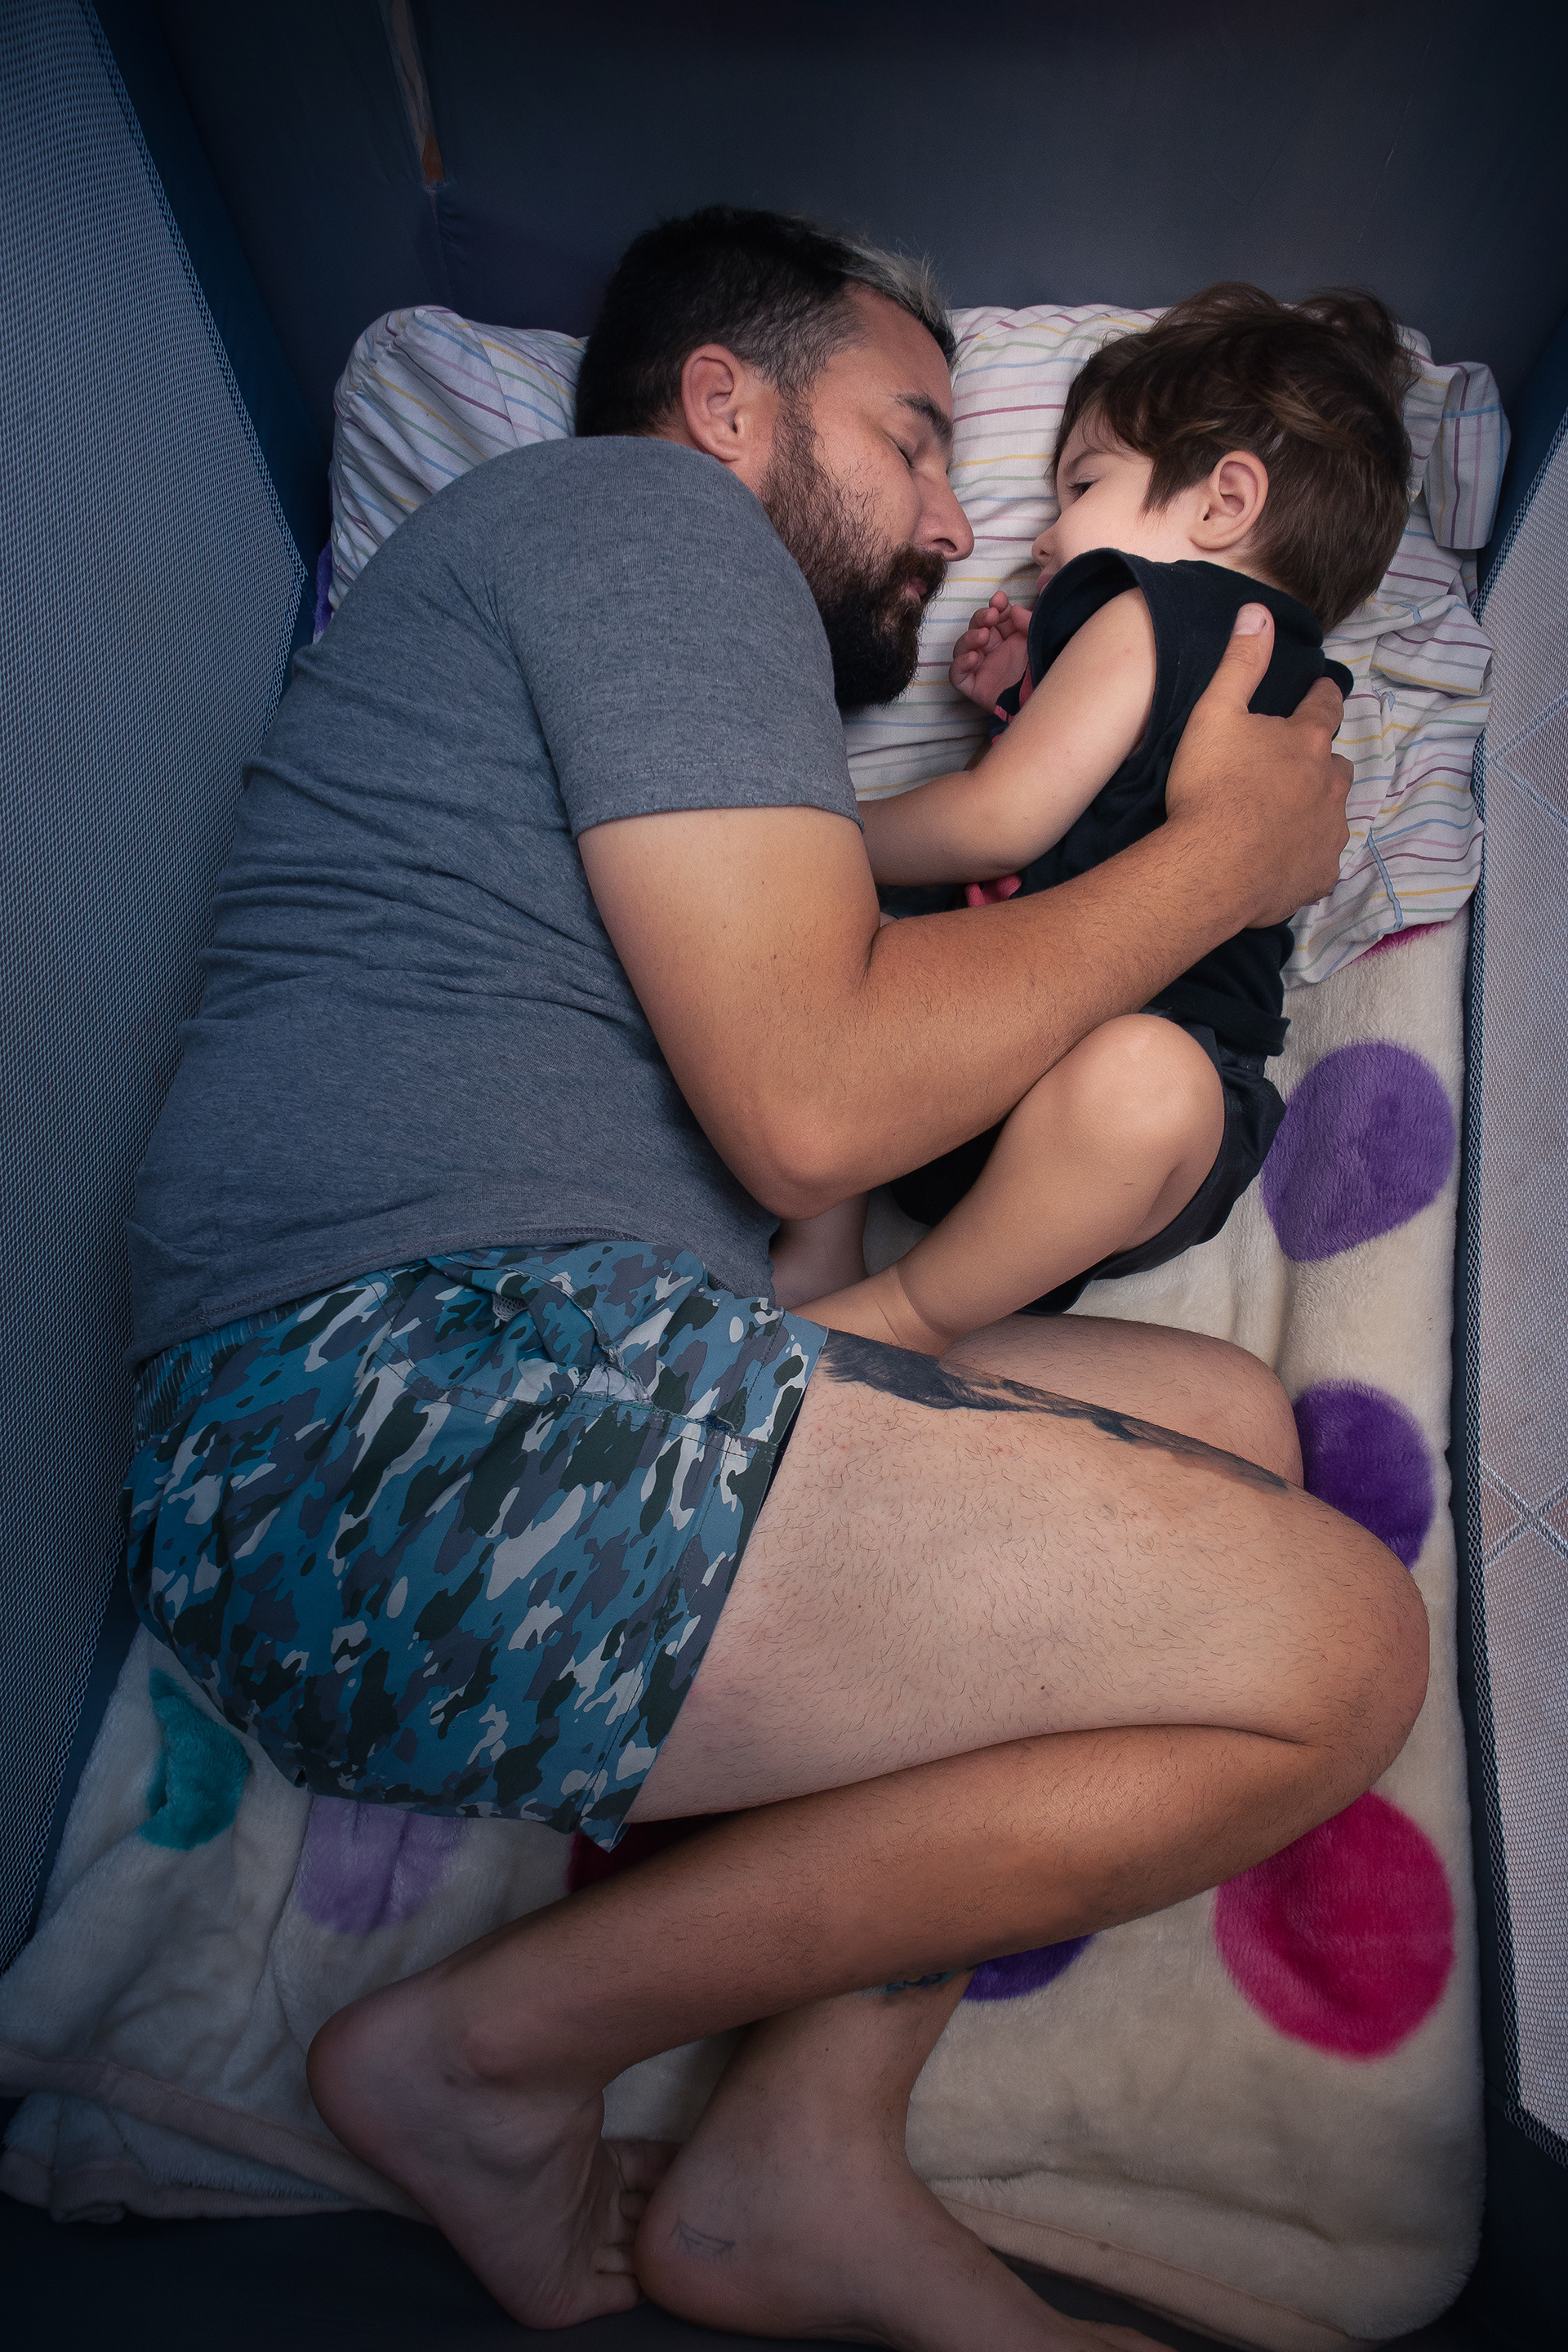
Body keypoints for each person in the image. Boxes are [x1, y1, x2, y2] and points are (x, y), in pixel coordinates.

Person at [121, 207, 1426, 2348]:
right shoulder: (643, 518)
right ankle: (488, 2051)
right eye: (913, 438)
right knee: (1343, 1654)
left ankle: (800, 2150)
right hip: (387, 1420)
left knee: (1228, 1422)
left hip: (551, 1386)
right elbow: (818, 1111)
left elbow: (827, 1083)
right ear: (725, 404)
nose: (957, 520)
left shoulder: (681, 711)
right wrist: (1227, 859)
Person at [771, 285, 1413, 1356]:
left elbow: (1000, 825)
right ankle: (914, 1294)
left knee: (848, 946)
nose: (1043, 536)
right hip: (1128, 1168)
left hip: (1028, 1084)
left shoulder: (1145, 606)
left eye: (1083, 484)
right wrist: (1024, 703)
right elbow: (1118, 795)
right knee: (1139, 1081)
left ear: (1224, 502)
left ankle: (879, 1292)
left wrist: (818, 830)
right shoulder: (1305, 692)